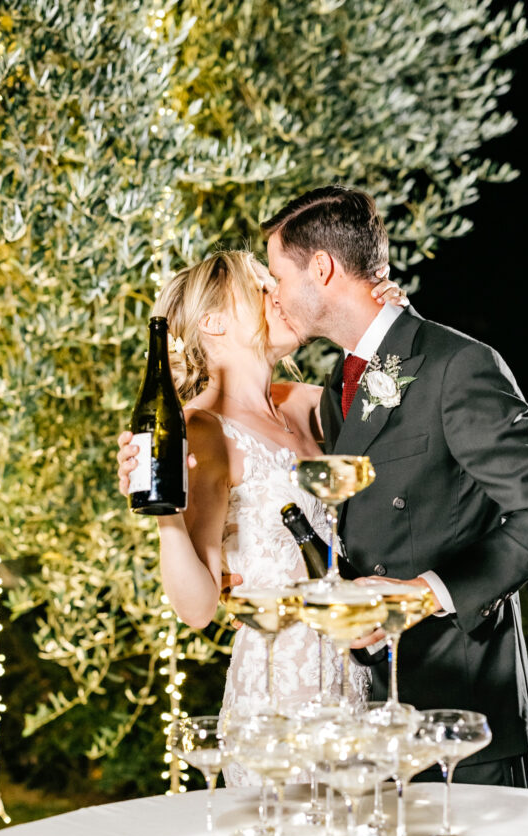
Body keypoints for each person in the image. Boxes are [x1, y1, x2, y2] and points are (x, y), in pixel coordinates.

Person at [261, 186, 528, 787]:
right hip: (372, 712)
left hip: (461, 715)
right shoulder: (340, 387)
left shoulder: (457, 364)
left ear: (322, 270)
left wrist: (421, 594)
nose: (275, 295)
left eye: (278, 276)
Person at [117, 250, 405, 785]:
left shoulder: (305, 404)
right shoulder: (202, 429)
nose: (280, 294)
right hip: (277, 696)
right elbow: (198, 607)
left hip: (352, 680)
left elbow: (402, 417)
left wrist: (384, 329)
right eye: (261, 287)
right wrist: (166, 516)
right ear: (213, 322)